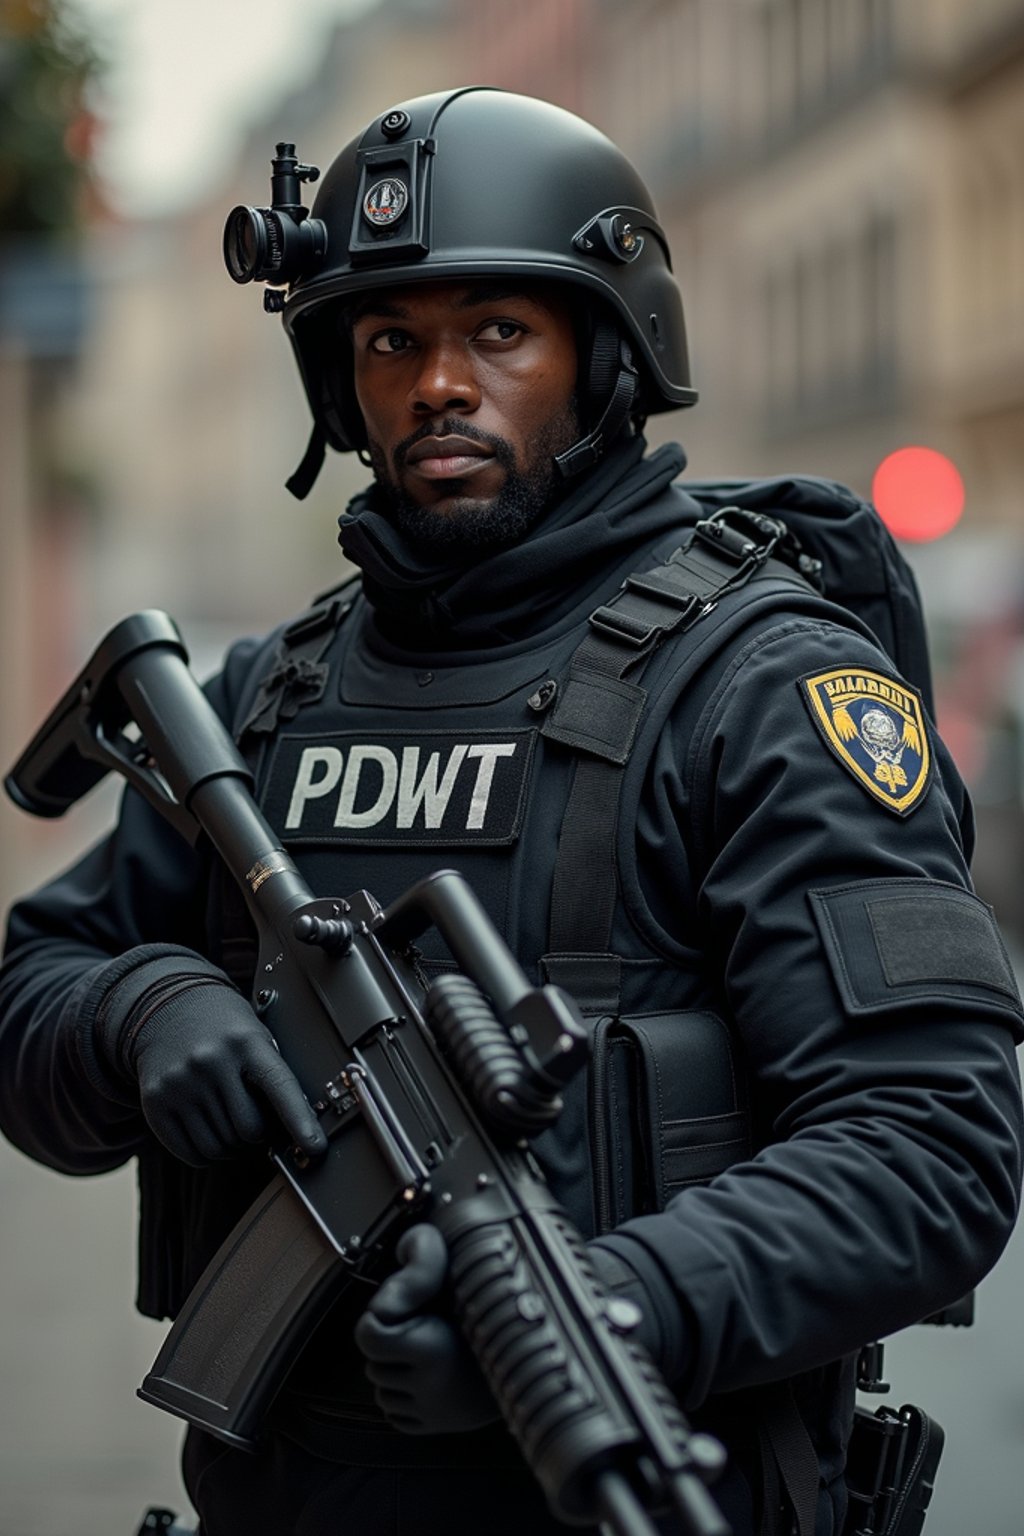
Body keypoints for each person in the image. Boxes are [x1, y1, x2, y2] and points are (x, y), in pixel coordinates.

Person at [1, 88, 1022, 1536]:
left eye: (498, 331)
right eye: (389, 338)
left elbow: (932, 1145)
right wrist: (141, 1012)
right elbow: (27, 993)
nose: (436, 386)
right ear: (338, 384)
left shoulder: (761, 682)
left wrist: (614, 1303)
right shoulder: (267, 703)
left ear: (605, 357)